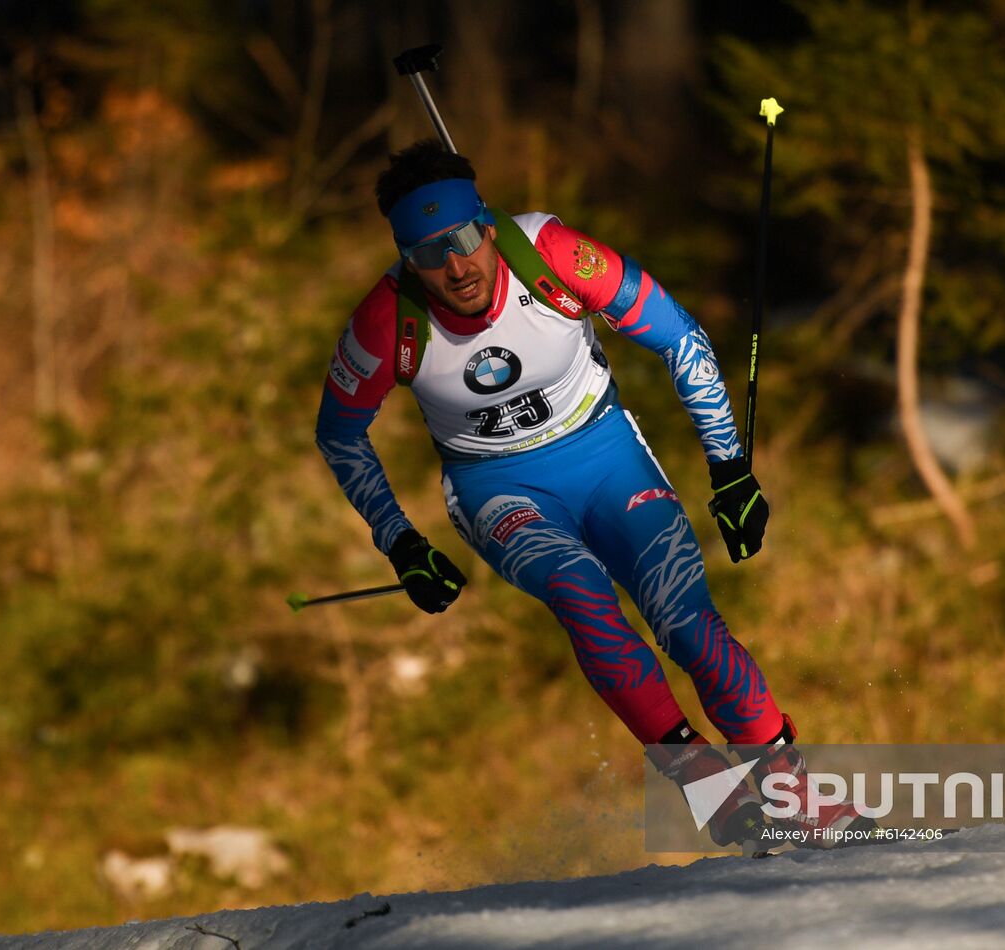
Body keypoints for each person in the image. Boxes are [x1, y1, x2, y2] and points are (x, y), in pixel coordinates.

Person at [314, 140, 868, 848]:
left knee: (686, 623)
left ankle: (794, 794)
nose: (453, 268)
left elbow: (681, 338)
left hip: (607, 458)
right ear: (405, 259)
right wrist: (400, 541)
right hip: (498, 489)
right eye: (427, 254)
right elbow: (339, 434)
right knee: (580, 591)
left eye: (461, 240)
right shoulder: (386, 320)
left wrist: (729, 469)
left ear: (487, 224)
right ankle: (703, 779)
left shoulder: (555, 254)